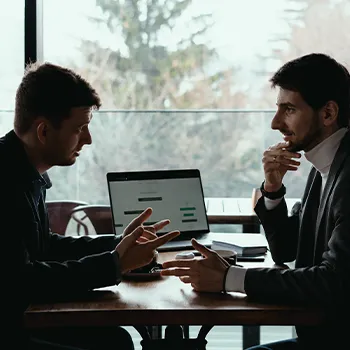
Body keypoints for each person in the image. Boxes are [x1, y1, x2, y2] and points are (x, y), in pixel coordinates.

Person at [161, 53, 350, 349]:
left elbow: (333, 284)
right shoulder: (326, 164)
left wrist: (230, 279)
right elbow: (287, 250)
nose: (276, 123)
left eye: (288, 109)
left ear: (328, 113)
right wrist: (273, 189)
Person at [2, 62, 180, 350]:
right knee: (115, 344)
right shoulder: (5, 183)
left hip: (20, 321)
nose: (88, 139)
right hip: (10, 332)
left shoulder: (22, 172)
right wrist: (115, 263)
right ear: (44, 132)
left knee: (117, 339)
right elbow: (21, 281)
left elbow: (44, 247)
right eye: (80, 128)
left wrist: (118, 244)